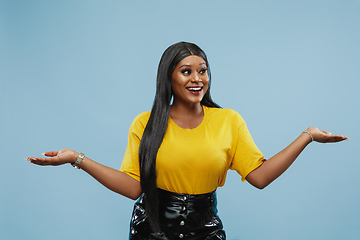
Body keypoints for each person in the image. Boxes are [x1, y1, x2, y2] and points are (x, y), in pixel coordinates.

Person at [27, 42, 348, 240]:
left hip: (206, 229)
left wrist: (306, 137)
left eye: (203, 70)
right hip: (149, 231)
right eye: (186, 71)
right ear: (168, 77)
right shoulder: (146, 123)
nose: (197, 79)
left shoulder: (228, 121)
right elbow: (132, 187)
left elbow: (260, 177)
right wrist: (75, 158)